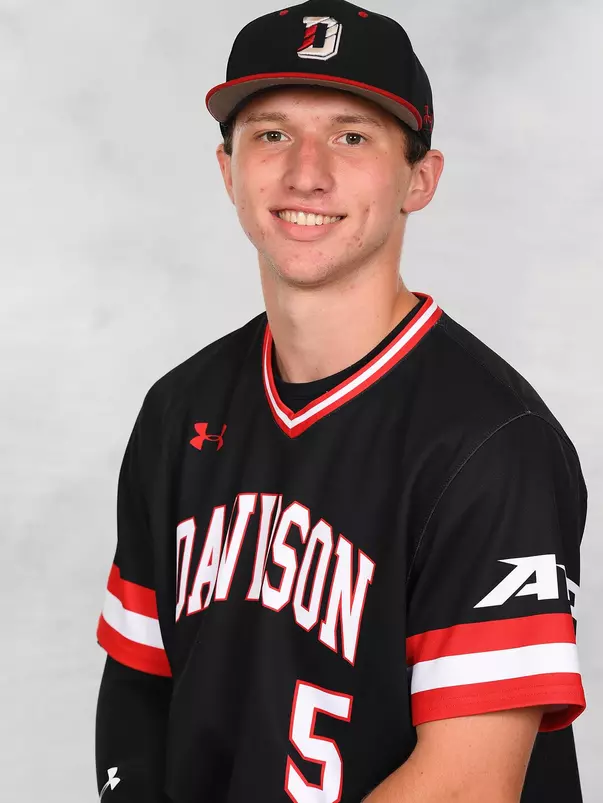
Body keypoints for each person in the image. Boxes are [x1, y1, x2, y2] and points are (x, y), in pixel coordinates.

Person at [95, 1, 588, 801]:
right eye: (271, 133)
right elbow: (138, 684)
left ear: (418, 181)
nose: (305, 172)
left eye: (351, 136)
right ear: (227, 169)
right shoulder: (177, 410)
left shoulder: (493, 440)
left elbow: (467, 785)